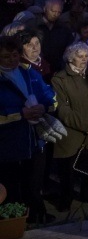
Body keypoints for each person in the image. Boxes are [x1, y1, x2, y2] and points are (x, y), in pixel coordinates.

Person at [0, 35, 58, 224]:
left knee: (34, 181)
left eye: (15, 55)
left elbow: (49, 94)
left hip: (35, 138)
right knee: (11, 183)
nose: (12, 60)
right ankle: (14, 220)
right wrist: (19, 114)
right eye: (6, 56)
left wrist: (44, 106)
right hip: (8, 141)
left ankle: (37, 215)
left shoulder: (28, 72)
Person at [51, 42, 88, 210]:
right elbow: (62, 108)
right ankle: (66, 201)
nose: (84, 59)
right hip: (71, 133)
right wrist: (85, 124)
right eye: (80, 56)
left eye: (86, 56)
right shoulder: (59, 79)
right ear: (70, 58)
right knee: (67, 172)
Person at [38, 0, 74, 71]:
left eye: (59, 12)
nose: (55, 14)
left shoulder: (64, 28)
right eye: (53, 11)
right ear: (45, 9)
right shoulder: (34, 25)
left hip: (58, 67)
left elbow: (70, 45)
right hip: (39, 66)